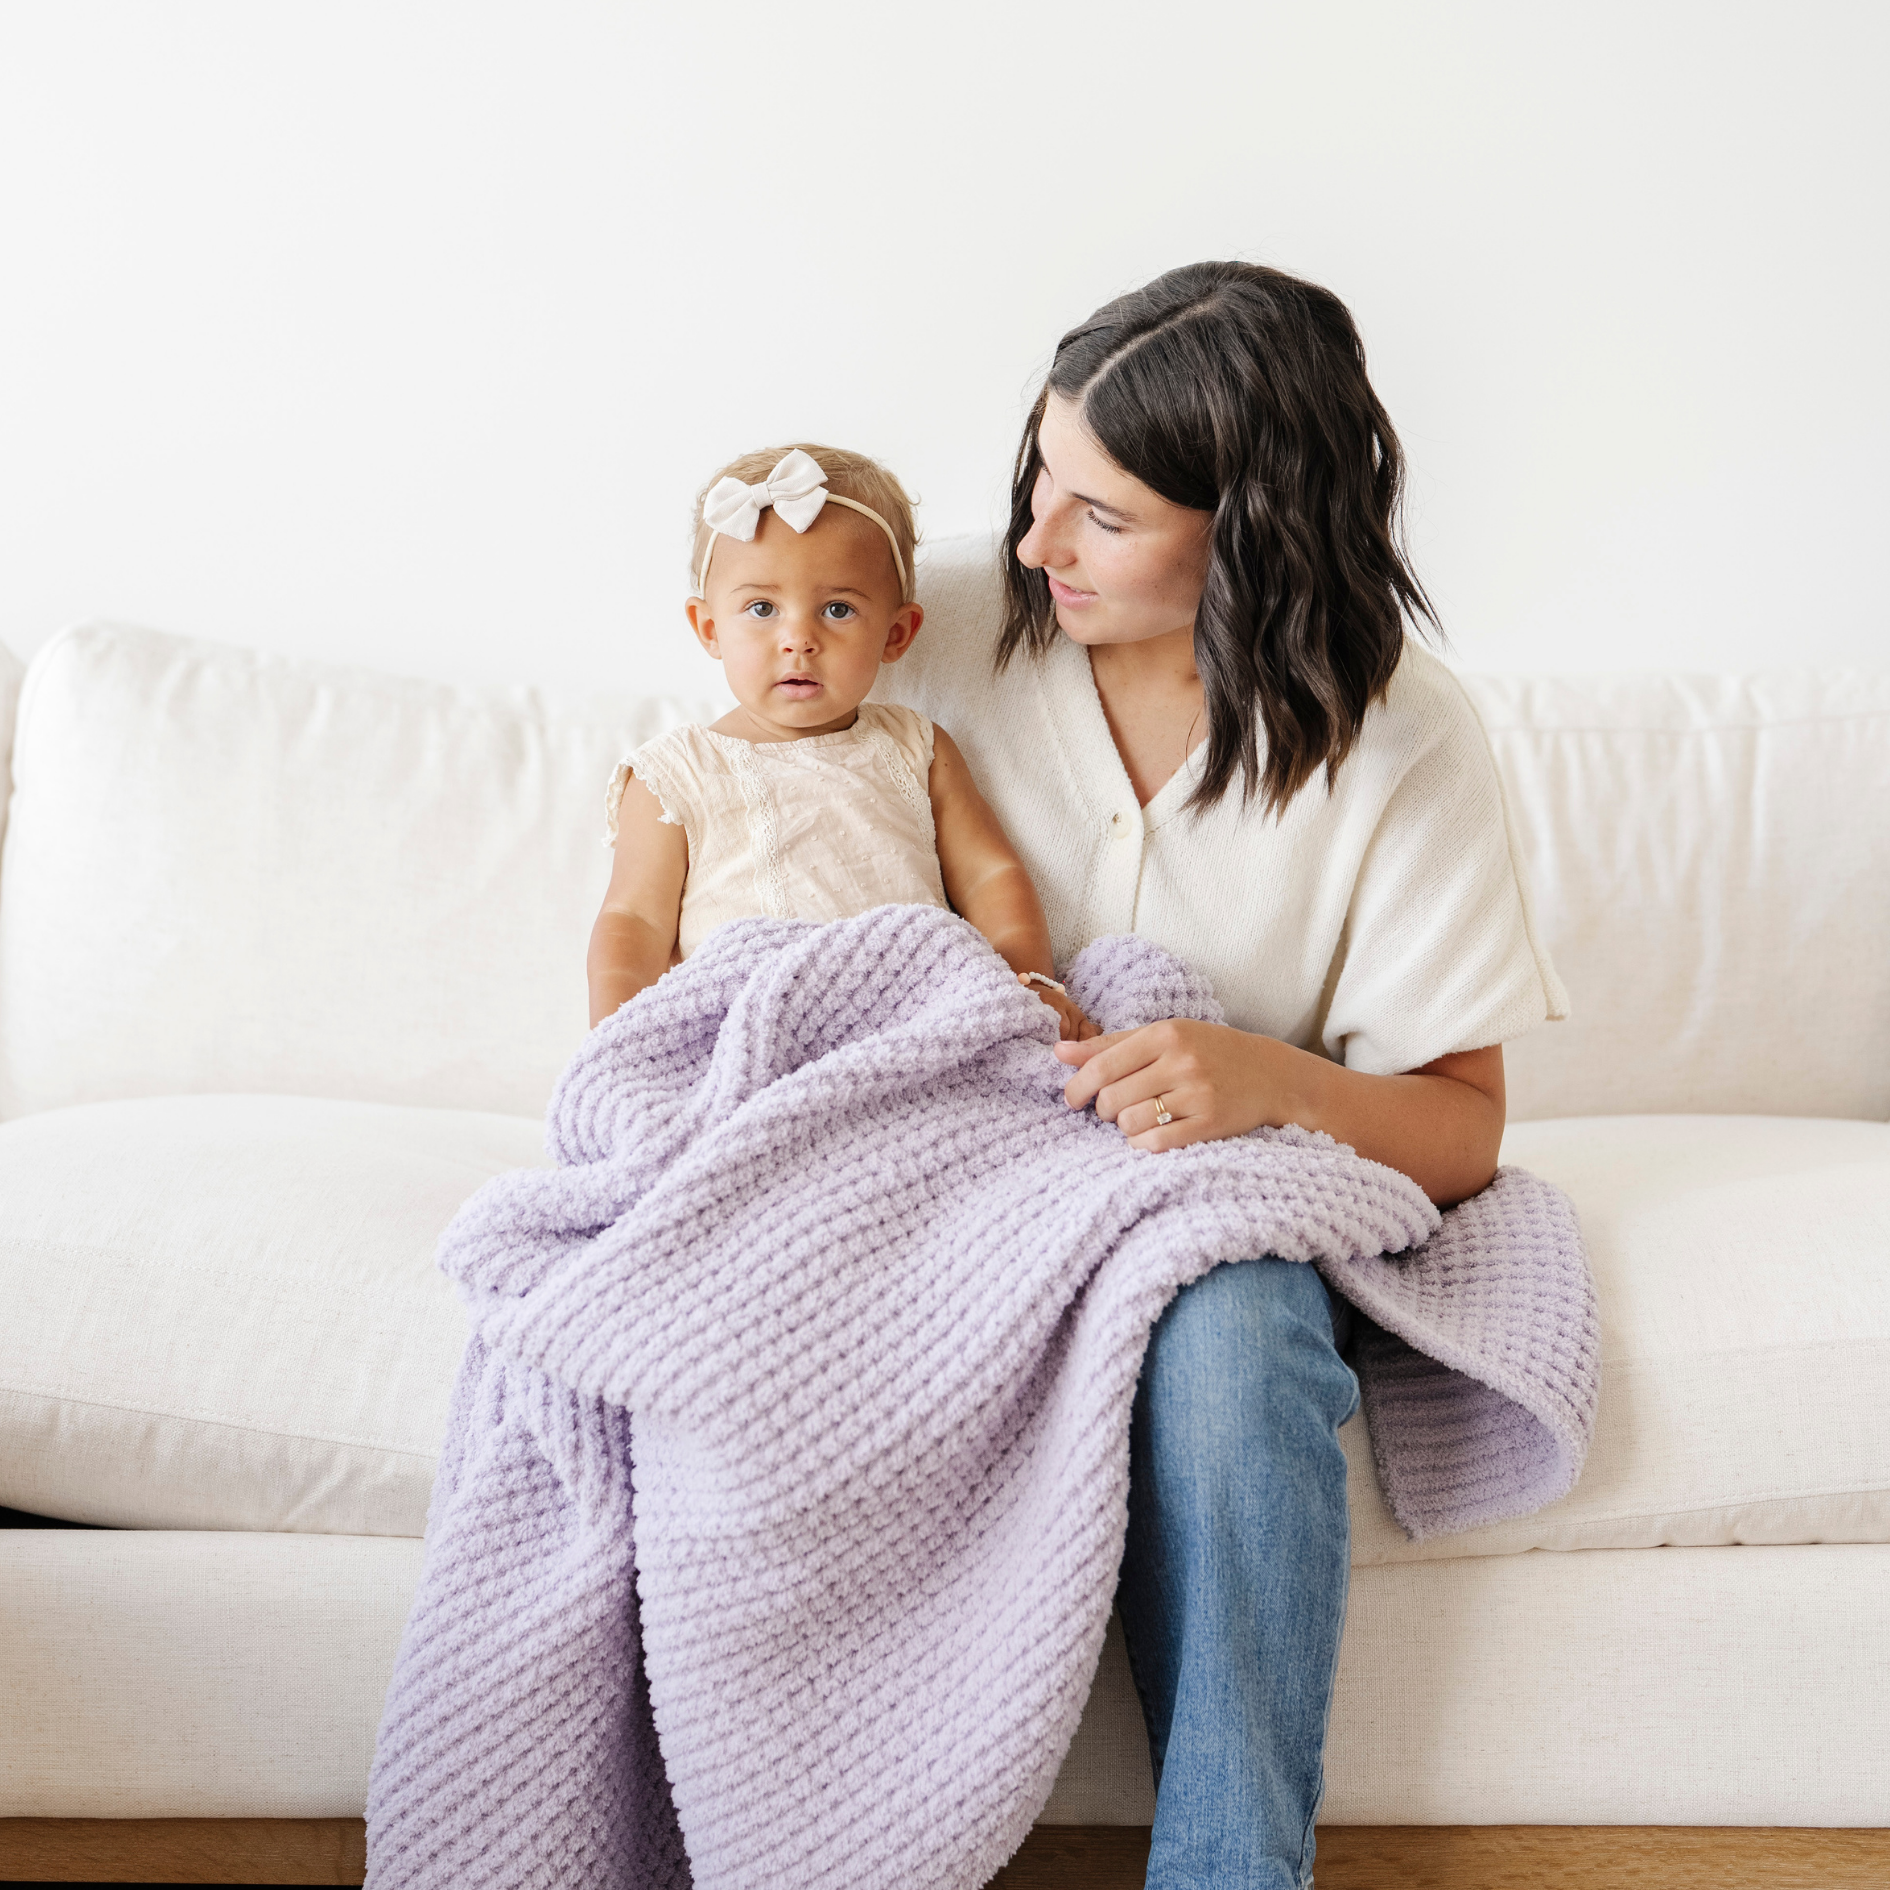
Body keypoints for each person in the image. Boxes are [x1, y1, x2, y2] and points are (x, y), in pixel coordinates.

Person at [875, 261, 1567, 1889]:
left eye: (1103, 515)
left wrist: (1271, 1079)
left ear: (1251, 531)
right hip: (943, 1186)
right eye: (1040, 479)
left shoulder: (1399, 734)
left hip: (1218, 1215)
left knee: (1236, 1331)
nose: (1037, 542)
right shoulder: (922, 631)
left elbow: (1462, 1127)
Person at [586, 442, 1095, 1042]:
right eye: (761, 608)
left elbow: (988, 875)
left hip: (912, 1017)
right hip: (751, 1026)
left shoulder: (915, 748)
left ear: (896, 633)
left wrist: (1030, 980)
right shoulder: (675, 775)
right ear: (709, 627)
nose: (798, 639)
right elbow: (634, 920)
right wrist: (616, 1044)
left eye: (836, 609)